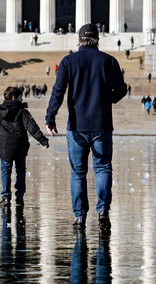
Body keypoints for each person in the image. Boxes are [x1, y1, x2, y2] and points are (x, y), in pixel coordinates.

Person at [45, 23, 126, 231]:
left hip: (77, 126)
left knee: (78, 173)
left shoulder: (68, 62)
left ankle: (80, 217)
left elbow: (58, 91)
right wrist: (107, 99)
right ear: (97, 39)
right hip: (102, 124)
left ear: (79, 40)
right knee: (103, 168)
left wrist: (50, 117)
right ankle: (103, 212)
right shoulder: (109, 61)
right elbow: (122, 89)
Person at [0, 86, 50, 207]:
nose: (22, 98)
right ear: (14, 97)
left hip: (5, 147)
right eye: (20, 96)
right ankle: (19, 196)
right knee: (20, 171)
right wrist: (43, 140)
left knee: (5, 171)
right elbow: (32, 127)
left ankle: (5, 197)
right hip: (20, 146)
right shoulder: (22, 111)